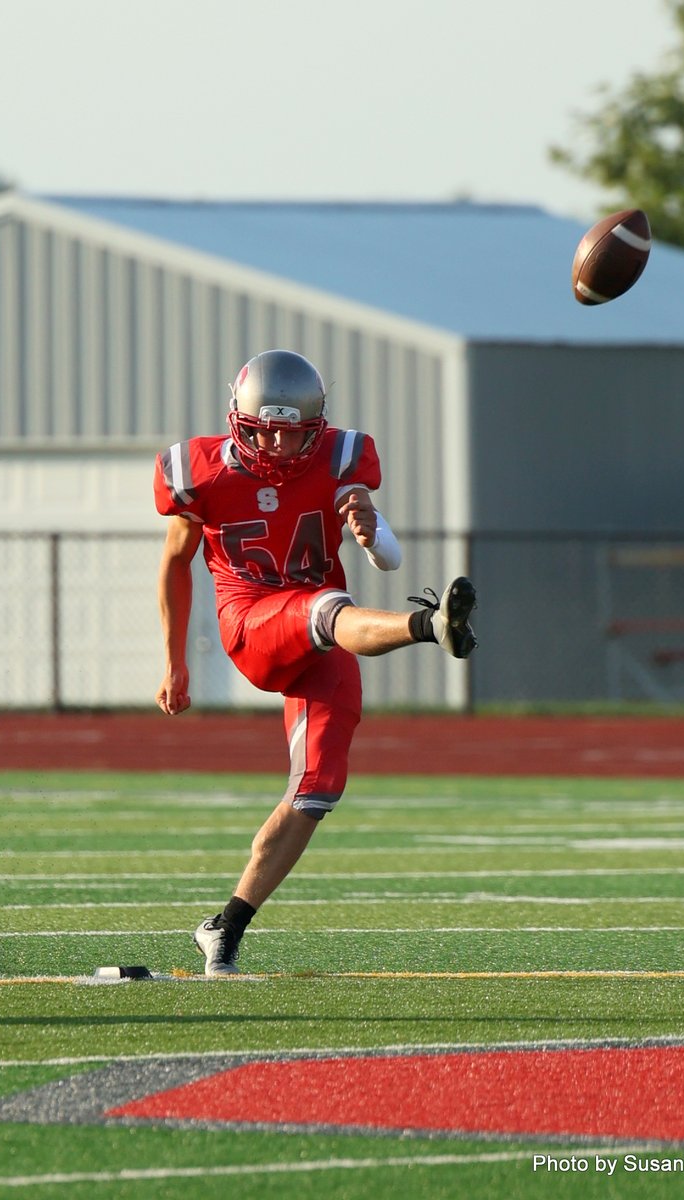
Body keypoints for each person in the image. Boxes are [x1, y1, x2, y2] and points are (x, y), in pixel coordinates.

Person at [154, 348, 477, 976]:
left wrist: (369, 528)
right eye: (264, 427)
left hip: (322, 638)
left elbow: (389, 560)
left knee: (318, 788)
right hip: (252, 621)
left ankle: (226, 926)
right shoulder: (199, 471)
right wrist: (175, 663)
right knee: (329, 604)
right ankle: (427, 624)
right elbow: (174, 564)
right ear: (239, 420)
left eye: (291, 429)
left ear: (317, 424)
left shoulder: (340, 459)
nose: (277, 443)